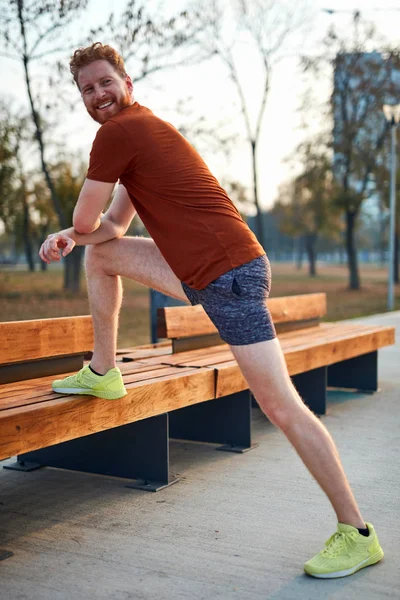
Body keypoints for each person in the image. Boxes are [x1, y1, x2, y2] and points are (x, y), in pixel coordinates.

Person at [39, 42, 384, 579]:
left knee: (281, 407)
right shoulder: (140, 133)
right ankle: (105, 373)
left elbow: (88, 216)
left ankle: (357, 532)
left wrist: (72, 230)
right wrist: (71, 237)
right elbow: (107, 231)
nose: (98, 94)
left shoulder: (118, 133)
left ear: (128, 85)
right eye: (87, 88)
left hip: (228, 274)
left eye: (106, 82)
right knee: (102, 258)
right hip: (211, 268)